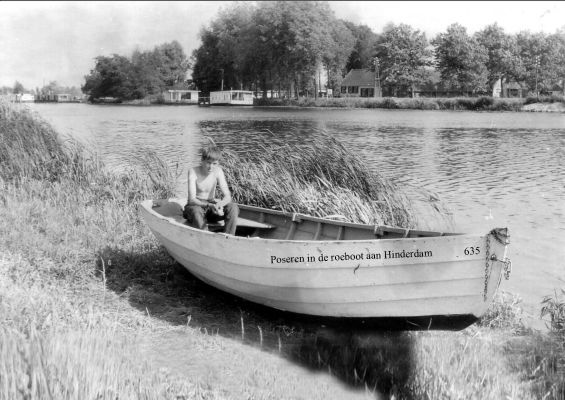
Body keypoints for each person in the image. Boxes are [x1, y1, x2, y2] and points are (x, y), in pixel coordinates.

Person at [183, 144, 239, 235]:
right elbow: (191, 200)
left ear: (218, 163)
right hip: (195, 206)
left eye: (214, 163)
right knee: (196, 211)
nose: (211, 167)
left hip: (211, 206)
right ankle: (205, 238)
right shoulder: (193, 171)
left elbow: (227, 196)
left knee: (233, 207)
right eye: (208, 163)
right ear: (202, 161)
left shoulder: (218, 171)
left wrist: (219, 204)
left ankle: (228, 236)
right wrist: (209, 205)